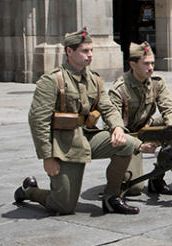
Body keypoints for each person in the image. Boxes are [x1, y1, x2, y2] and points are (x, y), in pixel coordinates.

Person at [15, 29, 143, 215]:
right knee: (63, 206)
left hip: (87, 138)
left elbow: (108, 108)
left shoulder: (94, 80)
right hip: (64, 146)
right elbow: (38, 121)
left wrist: (117, 127)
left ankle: (112, 196)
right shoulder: (52, 81)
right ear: (69, 52)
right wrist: (47, 157)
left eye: (91, 50)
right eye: (85, 51)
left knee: (126, 143)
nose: (90, 55)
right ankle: (29, 190)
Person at [109, 42, 172, 197]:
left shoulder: (157, 82)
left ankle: (157, 178)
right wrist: (140, 145)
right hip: (128, 137)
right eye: (146, 63)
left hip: (147, 128)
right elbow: (113, 123)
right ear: (132, 65)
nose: (151, 67)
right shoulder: (119, 88)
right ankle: (119, 175)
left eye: (153, 63)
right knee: (134, 188)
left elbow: (168, 108)